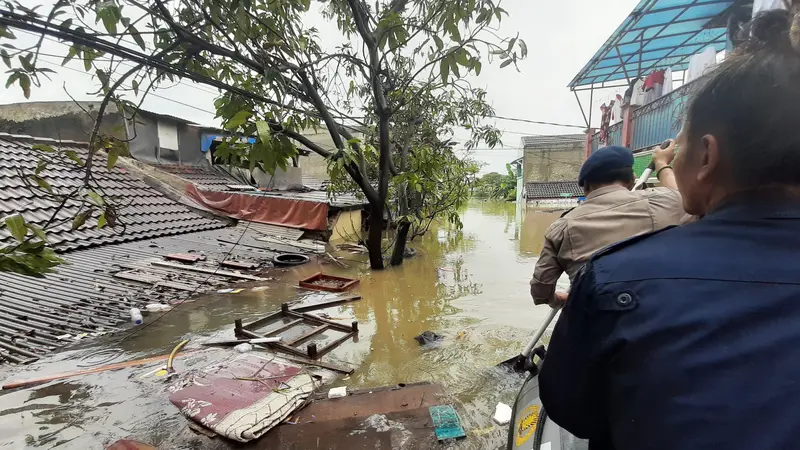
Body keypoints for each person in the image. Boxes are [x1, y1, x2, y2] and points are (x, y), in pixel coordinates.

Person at [540, 8, 800, 450]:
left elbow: (571, 410)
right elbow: (679, 196)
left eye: (678, 147)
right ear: (628, 177)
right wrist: (663, 169)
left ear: (706, 156)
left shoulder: (600, 266)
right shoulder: (666, 200)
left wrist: (566, 299)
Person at [530, 144, 683, 307]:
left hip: (596, 320)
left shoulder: (562, 227)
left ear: (586, 186)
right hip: (659, 314)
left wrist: (556, 300)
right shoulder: (662, 202)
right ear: (631, 180)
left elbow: (540, 290)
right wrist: (661, 163)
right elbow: (681, 197)